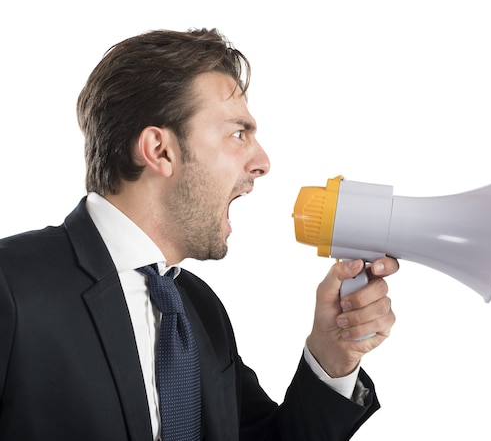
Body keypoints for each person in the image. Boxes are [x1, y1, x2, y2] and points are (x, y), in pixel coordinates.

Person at [0, 28, 397, 440]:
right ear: (160, 150)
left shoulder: (199, 309)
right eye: (238, 133)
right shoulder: (11, 285)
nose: (262, 162)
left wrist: (333, 356)